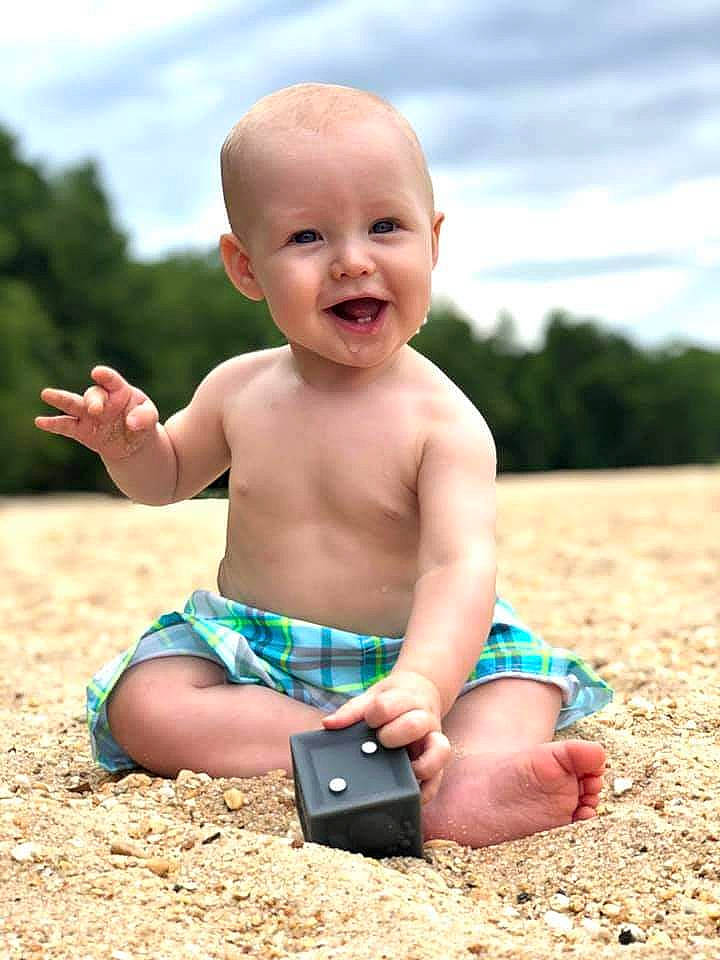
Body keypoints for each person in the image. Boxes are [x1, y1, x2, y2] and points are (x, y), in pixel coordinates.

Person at [35, 83, 612, 847]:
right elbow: (166, 480)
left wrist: (423, 684)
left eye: (385, 226)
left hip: (422, 652)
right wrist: (132, 446)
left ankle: (453, 770)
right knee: (146, 700)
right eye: (307, 237)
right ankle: (385, 770)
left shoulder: (444, 422)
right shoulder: (238, 389)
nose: (351, 260)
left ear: (433, 242)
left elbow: (457, 568)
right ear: (246, 268)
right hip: (261, 658)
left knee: (517, 687)